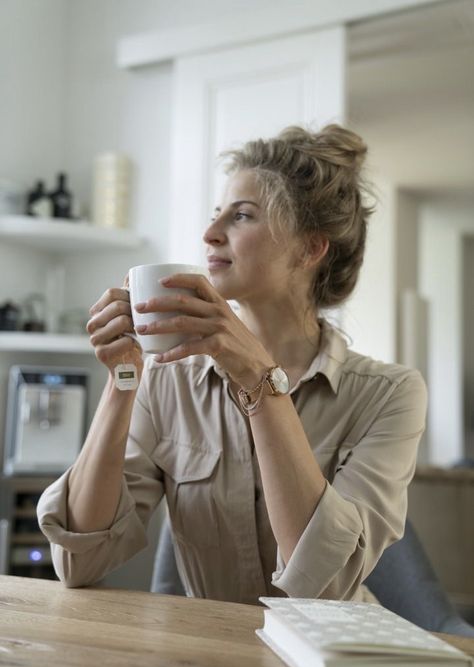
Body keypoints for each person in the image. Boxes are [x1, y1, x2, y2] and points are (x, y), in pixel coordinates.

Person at [37, 124, 427, 605]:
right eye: (215, 214)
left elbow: (324, 586)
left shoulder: (389, 395)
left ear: (310, 248)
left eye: (241, 216)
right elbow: (79, 561)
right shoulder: (166, 381)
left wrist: (260, 382)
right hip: (209, 656)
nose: (209, 233)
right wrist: (122, 380)